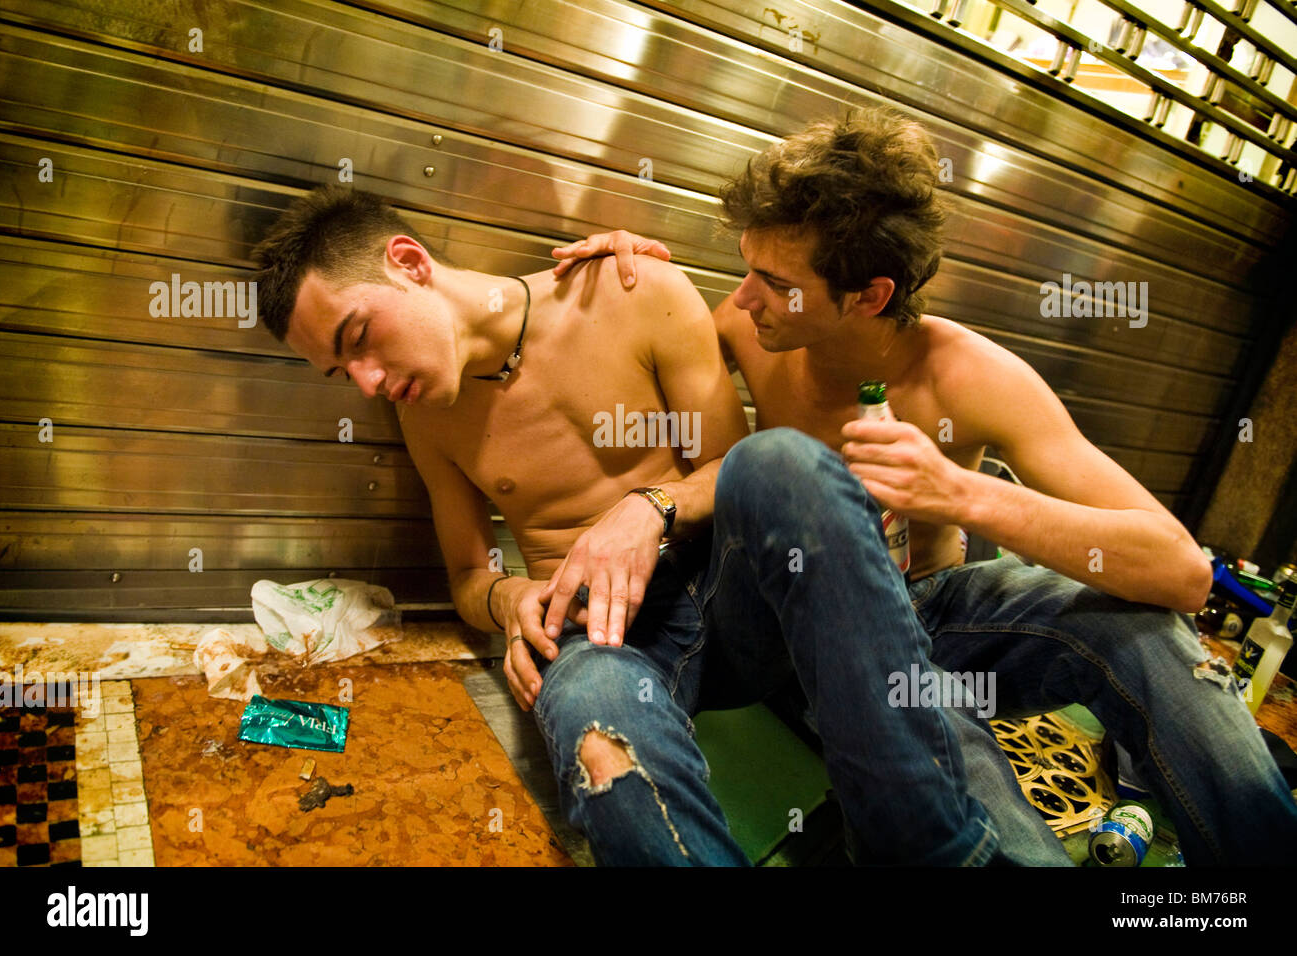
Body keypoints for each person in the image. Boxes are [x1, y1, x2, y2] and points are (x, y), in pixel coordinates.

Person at [553, 108, 1297, 865]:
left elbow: (1180, 571)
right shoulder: (751, 327)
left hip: (934, 609)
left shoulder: (970, 376)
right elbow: (642, 347)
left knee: (1141, 633)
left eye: (775, 282)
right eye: (745, 268)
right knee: (954, 745)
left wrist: (961, 493)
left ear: (871, 295)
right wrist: (631, 281)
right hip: (804, 631)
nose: (744, 297)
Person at [251, 184, 1052, 866]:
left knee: (784, 463)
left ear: (410, 263)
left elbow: (739, 480)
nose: (367, 381)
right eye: (340, 371)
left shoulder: (631, 293)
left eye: (359, 338)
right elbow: (467, 575)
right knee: (605, 750)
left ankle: (927, 850)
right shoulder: (426, 413)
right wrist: (508, 600)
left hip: (731, 597)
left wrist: (649, 506)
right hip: (602, 636)